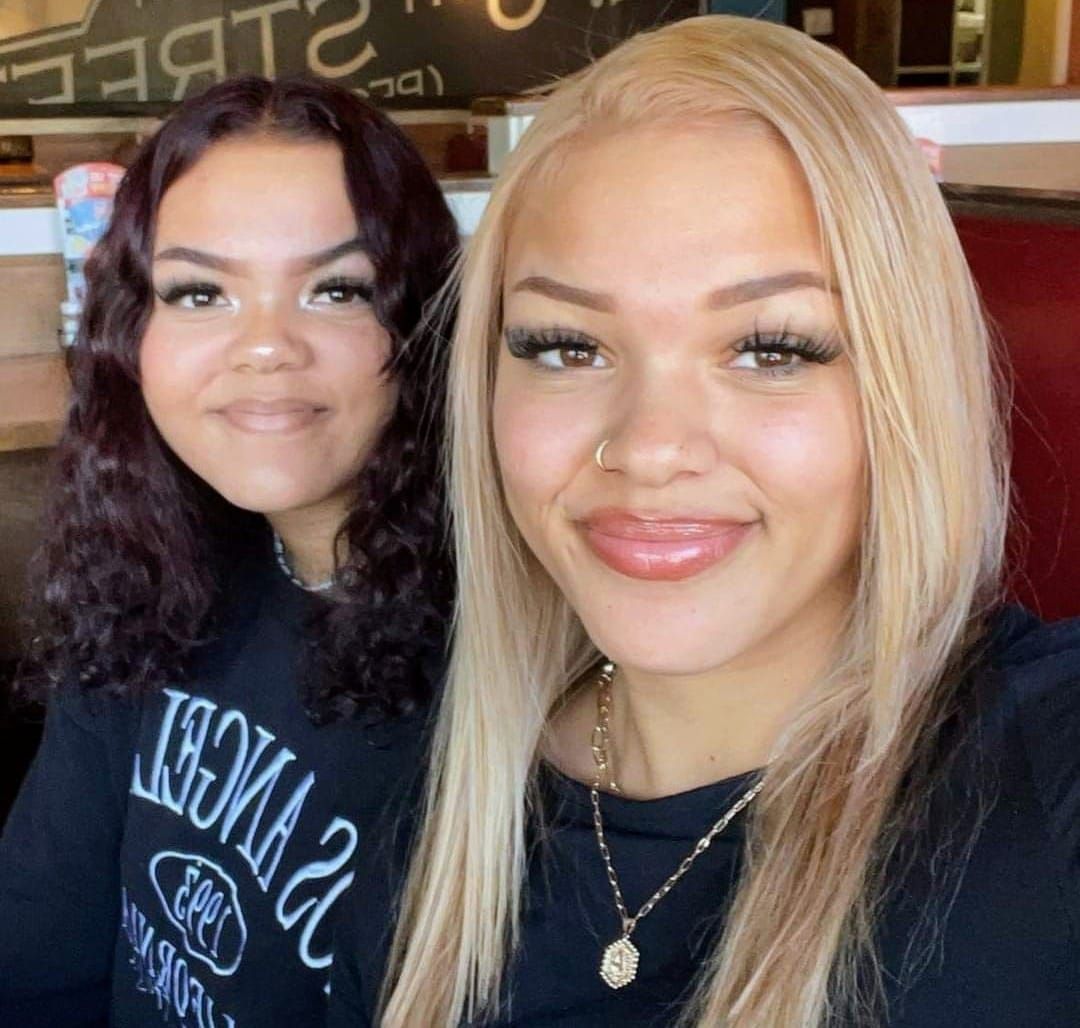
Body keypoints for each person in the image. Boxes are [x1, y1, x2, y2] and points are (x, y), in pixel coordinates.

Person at [328, 16, 1080, 1028]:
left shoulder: (1051, 769)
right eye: (567, 346)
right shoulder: (425, 818)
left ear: (907, 384)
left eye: (770, 347)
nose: (649, 445)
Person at [0, 76, 457, 1027]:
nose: (264, 347)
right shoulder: (151, 584)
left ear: (418, 325)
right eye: (200, 291)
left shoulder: (515, 681)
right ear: (135, 332)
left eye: (338, 288)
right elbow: (41, 956)